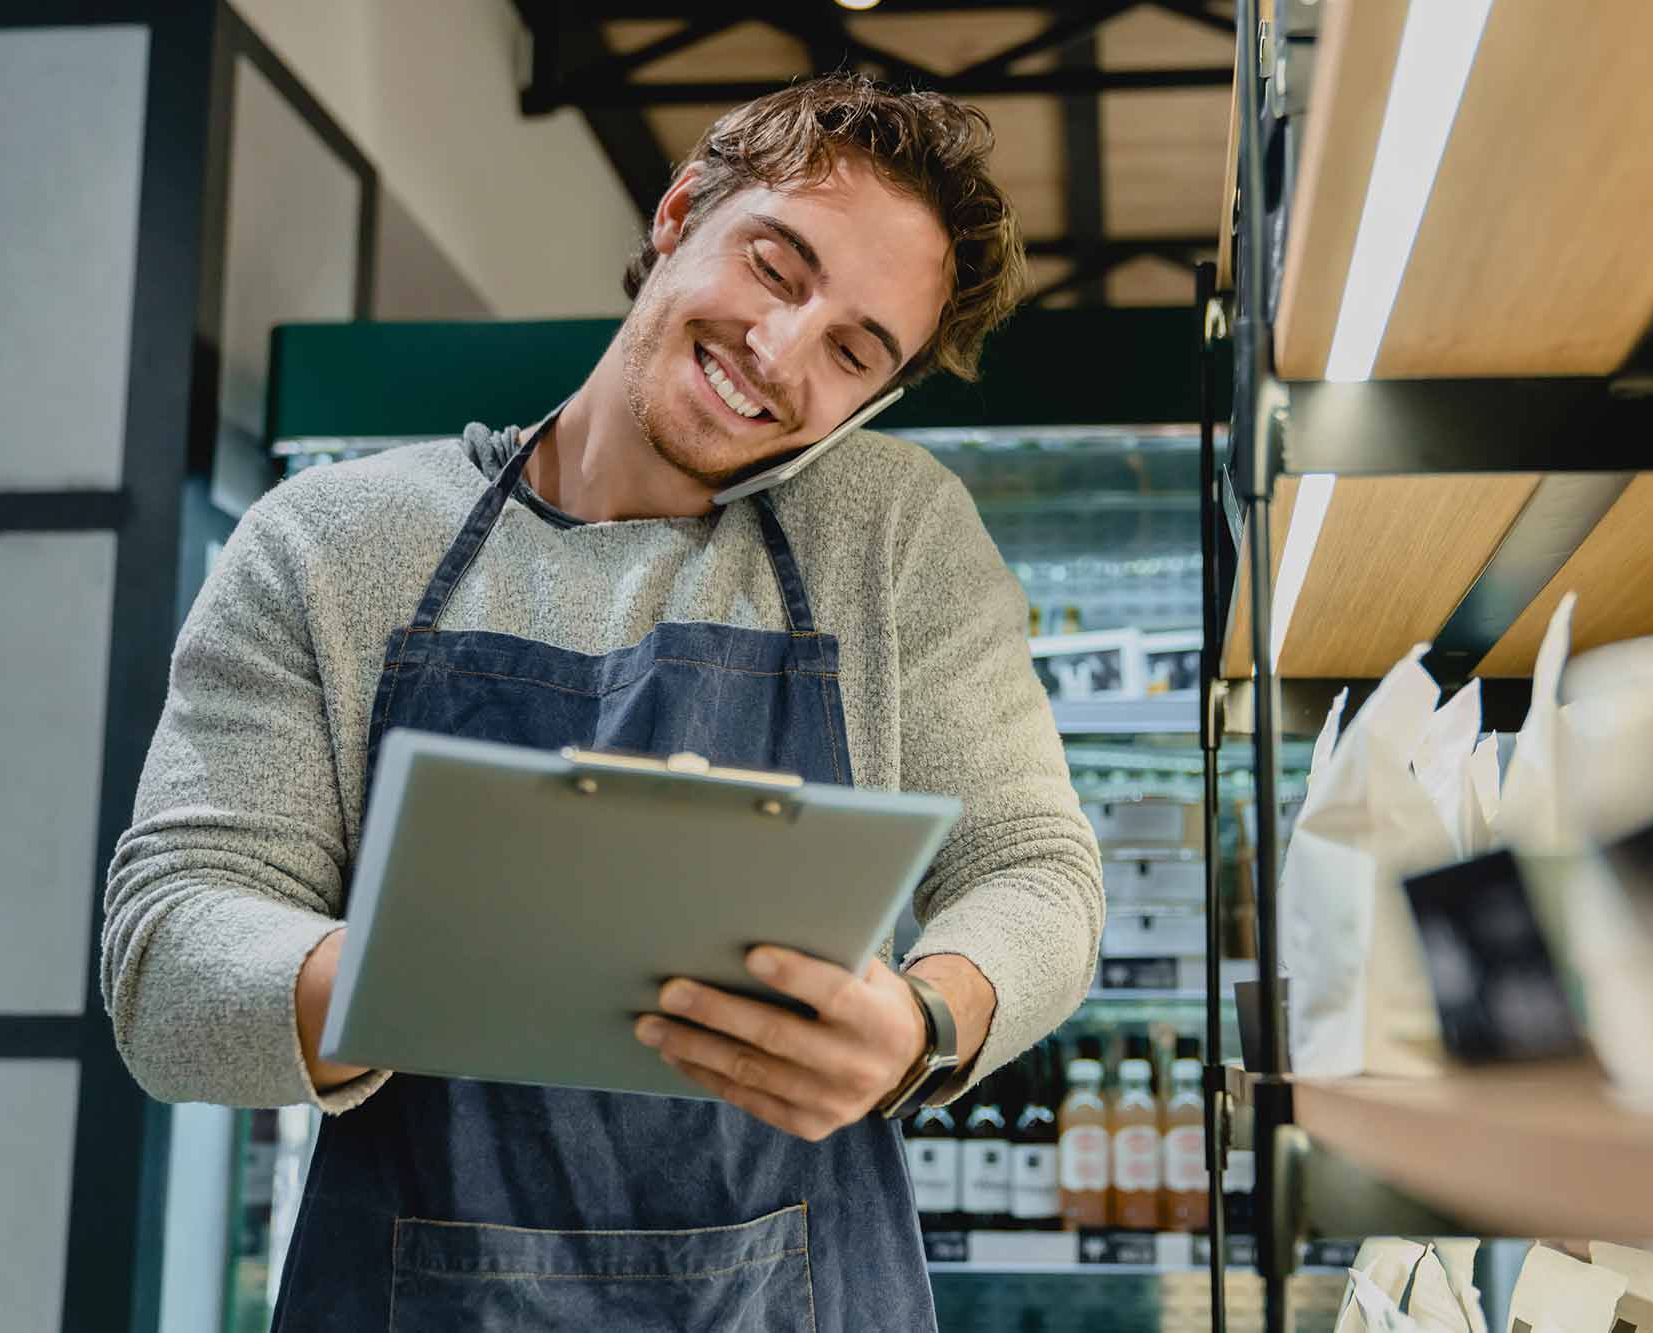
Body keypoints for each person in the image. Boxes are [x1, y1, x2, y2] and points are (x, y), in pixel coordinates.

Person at [102, 75, 1103, 1330]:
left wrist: (924, 1019)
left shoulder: (890, 534)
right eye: (775, 268)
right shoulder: (327, 543)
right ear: (680, 213)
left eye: (852, 350)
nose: (781, 354)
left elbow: (1036, 868)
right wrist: (424, 970)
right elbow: (165, 955)